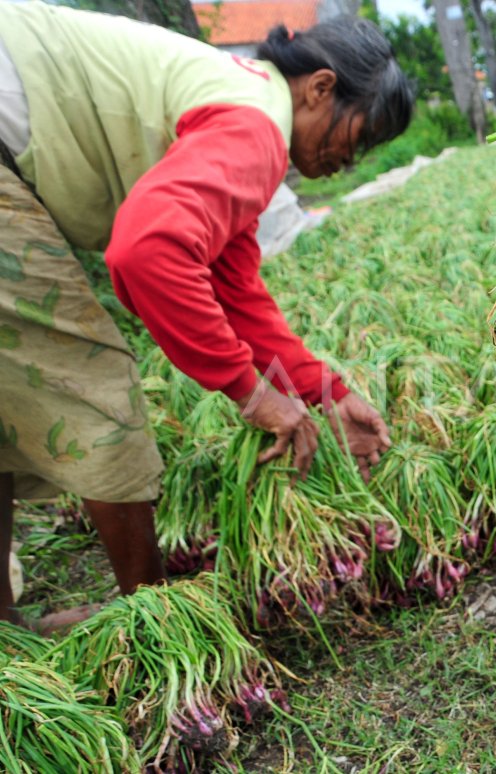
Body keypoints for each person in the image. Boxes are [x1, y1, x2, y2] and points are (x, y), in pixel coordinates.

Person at [0, 2, 413, 631]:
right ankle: (159, 623)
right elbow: (147, 252)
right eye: (357, 137)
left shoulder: (238, 95)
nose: (347, 163)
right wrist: (251, 394)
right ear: (321, 88)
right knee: (94, 383)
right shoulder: (255, 126)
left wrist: (326, 392)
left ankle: (7, 628)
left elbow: (235, 292)